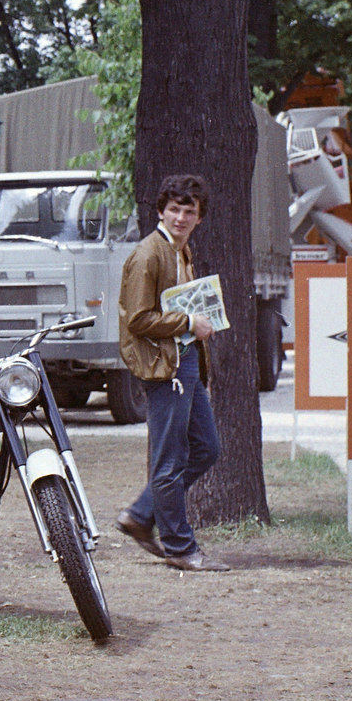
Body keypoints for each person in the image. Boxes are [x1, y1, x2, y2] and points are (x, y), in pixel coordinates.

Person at [115, 174, 228, 571]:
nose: (181, 217)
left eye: (189, 211)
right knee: (169, 460)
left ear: (199, 218)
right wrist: (187, 323)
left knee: (206, 447)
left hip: (185, 361)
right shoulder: (149, 254)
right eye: (174, 209)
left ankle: (141, 514)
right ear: (160, 210)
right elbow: (138, 319)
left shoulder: (180, 250)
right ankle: (180, 547)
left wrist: (192, 327)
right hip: (165, 368)